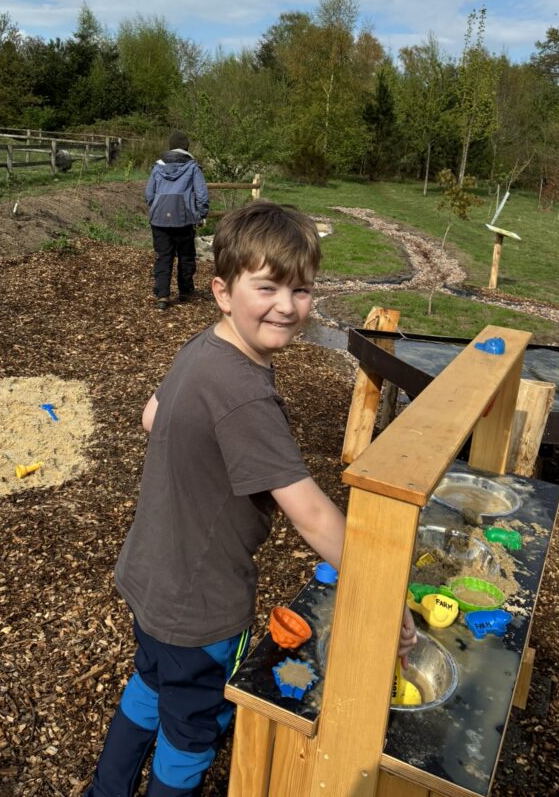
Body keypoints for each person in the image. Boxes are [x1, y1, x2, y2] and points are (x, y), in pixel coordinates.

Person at [84, 200, 416, 797]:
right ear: (222, 291)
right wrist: (385, 596)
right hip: (202, 605)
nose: (287, 307)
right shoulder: (244, 396)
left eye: (302, 290)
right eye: (268, 287)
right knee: (191, 734)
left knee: (151, 685)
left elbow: (150, 416)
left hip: (149, 577)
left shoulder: (204, 350)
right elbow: (310, 512)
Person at [145, 130, 209, 311]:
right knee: (186, 256)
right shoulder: (193, 167)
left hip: (159, 219)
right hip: (185, 218)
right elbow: (202, 195)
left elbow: (149, 194)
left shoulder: (157, 167)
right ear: (186, 147)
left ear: (170, 147)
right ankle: (185, 291)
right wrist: (202, 213)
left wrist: (158, 206)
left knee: (163, 257)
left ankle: (163, 295)